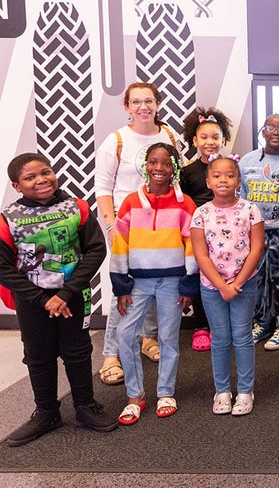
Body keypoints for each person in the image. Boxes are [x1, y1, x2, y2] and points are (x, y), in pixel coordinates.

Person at [0, 154, 117, 446]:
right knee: (38, 355)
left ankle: (85, 407)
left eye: (46, 172)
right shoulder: (7, 218)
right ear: (17, 186)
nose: (41, 180)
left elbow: (95, 251)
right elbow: (2, 267)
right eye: (30, 177)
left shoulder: (76, 207)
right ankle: (47, 413)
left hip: (73, 296)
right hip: (32, 301)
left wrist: (65, 294)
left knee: (77, 351)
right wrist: (42, 300)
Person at [94, 82, 179, 385]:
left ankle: (147, 339)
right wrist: (111, 224)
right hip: (125, 225)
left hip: (162, 225)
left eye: (149, 101)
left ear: (158, 104)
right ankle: (111, 354)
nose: (143, 107)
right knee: (126, 290)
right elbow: (103, 188)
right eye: (136, 102)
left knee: (159, 284)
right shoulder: (116, 141)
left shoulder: (169, 135)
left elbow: (174, 176)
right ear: (127, 107)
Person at [111, 143, 198, 424]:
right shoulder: (130, 202)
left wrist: (188, 285)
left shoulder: (185, 203)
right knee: (125, 334)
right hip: (138, 282)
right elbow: (120, 243)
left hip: (172, 281)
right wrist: (121, 285)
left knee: (168, 339)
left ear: (174, 168)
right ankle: (135, 396)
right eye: (153, 162)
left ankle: (165, 393)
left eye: (166, 163)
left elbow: (192, 246)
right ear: (145, 165)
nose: (159, 168)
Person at [191, 154, 265, 416]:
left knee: (243, 336)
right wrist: (222, 285)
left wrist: (237, 282)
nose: (224, 180)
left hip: (244, 283)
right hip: (212, 286)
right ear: (208, 181)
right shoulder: (200, 214)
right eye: (217, 175)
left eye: (230, 175)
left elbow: (256, 249)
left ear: (238, 180)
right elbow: (201, 255)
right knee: (220, 338)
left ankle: (245, 391)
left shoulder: (250, 210)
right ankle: (222, 391)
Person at [241, 114, 279, 349]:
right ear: (262, 132)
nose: (276, 132)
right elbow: (241, 198)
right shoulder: (246, 161)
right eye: (271, 127)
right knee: (256, 280)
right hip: (254, 232)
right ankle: (261, 322)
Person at [180, 107, 234, 352]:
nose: (210, 142)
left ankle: (225, 326)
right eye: (204, 137)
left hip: (228, 233)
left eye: (215, 137)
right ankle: (201, 325)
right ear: (194, 140)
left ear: (223, 139)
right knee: (203, 278)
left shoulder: (230, 166)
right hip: (200, 234)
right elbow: (183, 204)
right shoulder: (187, 172)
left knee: (227, 275)